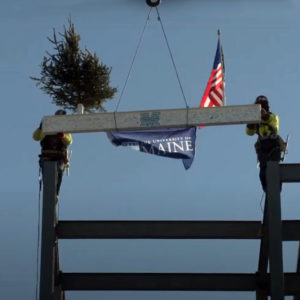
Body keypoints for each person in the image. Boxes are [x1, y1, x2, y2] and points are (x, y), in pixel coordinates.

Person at [246, 95, 285, 191]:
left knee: (274, 168)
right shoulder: (256, 121)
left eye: (262, 106)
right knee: (263, 171)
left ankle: (276, 189)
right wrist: (251, 122)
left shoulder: (273, 116)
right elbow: (249, 132)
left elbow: (274, 126)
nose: (261, 109)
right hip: (262, 147)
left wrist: (264, 116)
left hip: (273, 144)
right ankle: (267, 189)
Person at [33, 109, 72, 198]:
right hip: (47, 158)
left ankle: (55, 195)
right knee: (48, 181)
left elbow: (69, 141)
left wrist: (63, 136)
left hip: (58, 158)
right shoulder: (47, 127)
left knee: (57, 178)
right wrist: (41, 128)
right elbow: (36, 137)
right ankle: (50, 195)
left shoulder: (65, 130)